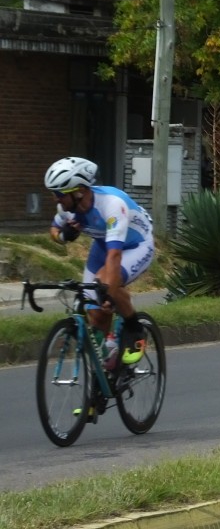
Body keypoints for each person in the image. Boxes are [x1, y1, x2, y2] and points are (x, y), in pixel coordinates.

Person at [45, 157, 156, 372]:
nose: (55, 200)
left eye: (59, 194)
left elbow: (114, 257)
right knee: (95, 312)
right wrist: (63, 236)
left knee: (105, 284)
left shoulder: (112, 205)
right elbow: (53, 231)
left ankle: (134, 329)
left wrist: (109, 293)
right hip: (103, 245)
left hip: (135, 246)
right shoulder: (67, 208)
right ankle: (104, 374)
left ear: (78, 191)